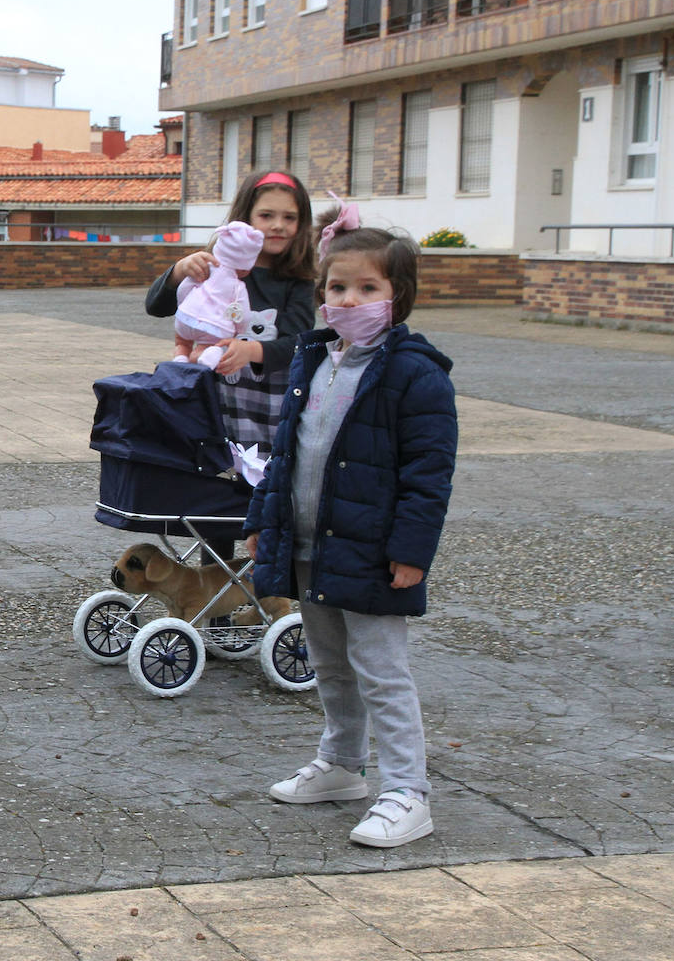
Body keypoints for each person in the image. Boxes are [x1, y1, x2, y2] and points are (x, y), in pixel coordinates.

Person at [244, 202, 457, 848]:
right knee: (330, 666)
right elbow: (286, 451)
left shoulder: (415, 375)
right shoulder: (313, 360)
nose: (350, 299)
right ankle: (341, 765)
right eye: (338, 288)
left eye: (368, 288)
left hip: (371, 553)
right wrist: (264, 521)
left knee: (382, 673)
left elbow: (429, 474)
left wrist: (411, 551)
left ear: (398, 296)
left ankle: (406, 792)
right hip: (311, 545)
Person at [145, 170, 317, 453]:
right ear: (245, 218)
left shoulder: (297, 280)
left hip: (267, 403)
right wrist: (178, 273)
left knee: (257, 477)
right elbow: (156, 306)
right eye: (266, 216)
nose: (278, 225)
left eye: (290, 217)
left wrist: (251, 352)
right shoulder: (215, 266)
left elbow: (297, 343)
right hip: (212, 391)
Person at [169, 220, 266, 379]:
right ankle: (207, 355)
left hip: (186, 317)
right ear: (245, 267)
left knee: (182, 342)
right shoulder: (238, 286)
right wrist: (239, 329)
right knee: (212, 346)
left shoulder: (204, 269)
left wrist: (183, 307)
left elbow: (184, 288)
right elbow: (243, 314)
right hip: (215, 327)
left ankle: (180, 358)